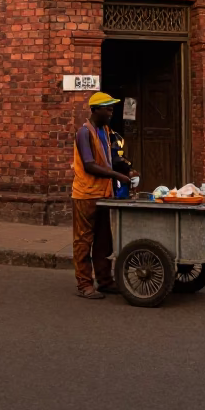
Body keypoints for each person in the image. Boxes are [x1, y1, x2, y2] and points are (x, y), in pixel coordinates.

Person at [72, 92, 137, 299]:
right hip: (85, 195)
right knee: (83, 241)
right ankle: (84, 284)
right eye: (107, 108)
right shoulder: (84, 133)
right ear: (95, 110)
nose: (111, 112)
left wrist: (128, 171)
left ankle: (105, 281)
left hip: (103, 193)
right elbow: (90, 165)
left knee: (103, 241)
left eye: (111, 108)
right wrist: (118, 176)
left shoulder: (106, 131)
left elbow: (112, 160)